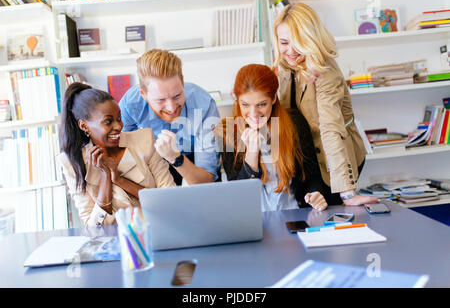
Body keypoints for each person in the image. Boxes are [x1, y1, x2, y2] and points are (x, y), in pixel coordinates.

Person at [272, 2, 378, 206]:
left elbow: (330, 130)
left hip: (332, 158)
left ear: (311, 39)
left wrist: (346, 194)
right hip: (307, 153)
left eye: (298, 42)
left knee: (327, 214)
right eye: (284, 42)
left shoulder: (325, 72)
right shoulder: (285, 65)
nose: (291, 50)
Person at [57, 82, 175, 227]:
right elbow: (93, 227)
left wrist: (119, 179)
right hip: (112, 241)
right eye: (108, 122)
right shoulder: (72, 163)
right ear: (84, 125)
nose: (118, 126)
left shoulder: (144, 141)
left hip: (157, 229)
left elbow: (169, 200)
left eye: (119, 119)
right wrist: (106, 177)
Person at [215, 64, 328, 211]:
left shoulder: (294, 123)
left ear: (274, 98)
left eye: (261, 104)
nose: (253, 113)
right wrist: (252, 153)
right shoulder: (228, 132)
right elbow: (240, 195)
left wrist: (315, 194)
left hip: (293, 213)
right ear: (237, 100)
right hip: (254, 219)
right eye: (245, 105)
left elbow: (312, 175)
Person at [119, 49, 220, 186]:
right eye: (160, 100)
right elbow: (124, 155)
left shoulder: (203, 104)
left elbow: (206, 180)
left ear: (183, 84)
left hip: (192, 158)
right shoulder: (131, 104)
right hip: (155, 160)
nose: (171, 108)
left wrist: (175, 158)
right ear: (144, 94)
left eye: (177, 96)